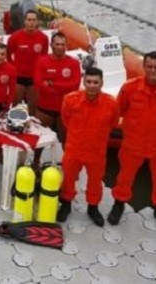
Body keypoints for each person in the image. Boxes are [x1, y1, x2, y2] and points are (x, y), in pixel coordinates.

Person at [106, 51, 156, 232]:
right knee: (125, 177)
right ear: (144, 68)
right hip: (134, 143)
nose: (152, 70)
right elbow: (121, 109)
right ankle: (119, 204)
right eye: (149, 67)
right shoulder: (130, 89)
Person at [56, 67, 119, 226]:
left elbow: (113, 123)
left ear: (102, 83)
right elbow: (66, 120)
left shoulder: (111, 104)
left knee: (95, 182)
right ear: (84, 82)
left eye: (95, 82)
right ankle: (66, 205)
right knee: (69, 179)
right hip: (74, 149)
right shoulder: (70, 100)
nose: (92, 85)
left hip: (96, 152)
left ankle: (93, 207)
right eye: (89, 82)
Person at [33, 32, 81, 143]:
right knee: (38, 143)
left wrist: (52, 84)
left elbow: (74, 86)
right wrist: (63, 88)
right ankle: (36, 160)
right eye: (57, 44)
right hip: (44, 109)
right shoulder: (42, 62)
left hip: (65, 110)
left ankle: (65, 161)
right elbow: (39, 84)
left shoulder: (73, 63)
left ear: (66, 46)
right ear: (51, 45)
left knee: (66, 141)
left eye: (62, 45)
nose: (60, 47)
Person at [6, 9, 49, 110]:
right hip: (18, 77)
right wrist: (13, 68)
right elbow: (8, 55)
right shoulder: (15, 37)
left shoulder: (43, 38)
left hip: (34, 78)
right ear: (24, 21)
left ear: (38, 22)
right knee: (14, 106)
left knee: (33, 108)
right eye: (29, 20)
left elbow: (44, 57)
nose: (31, 23)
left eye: (34, 20)